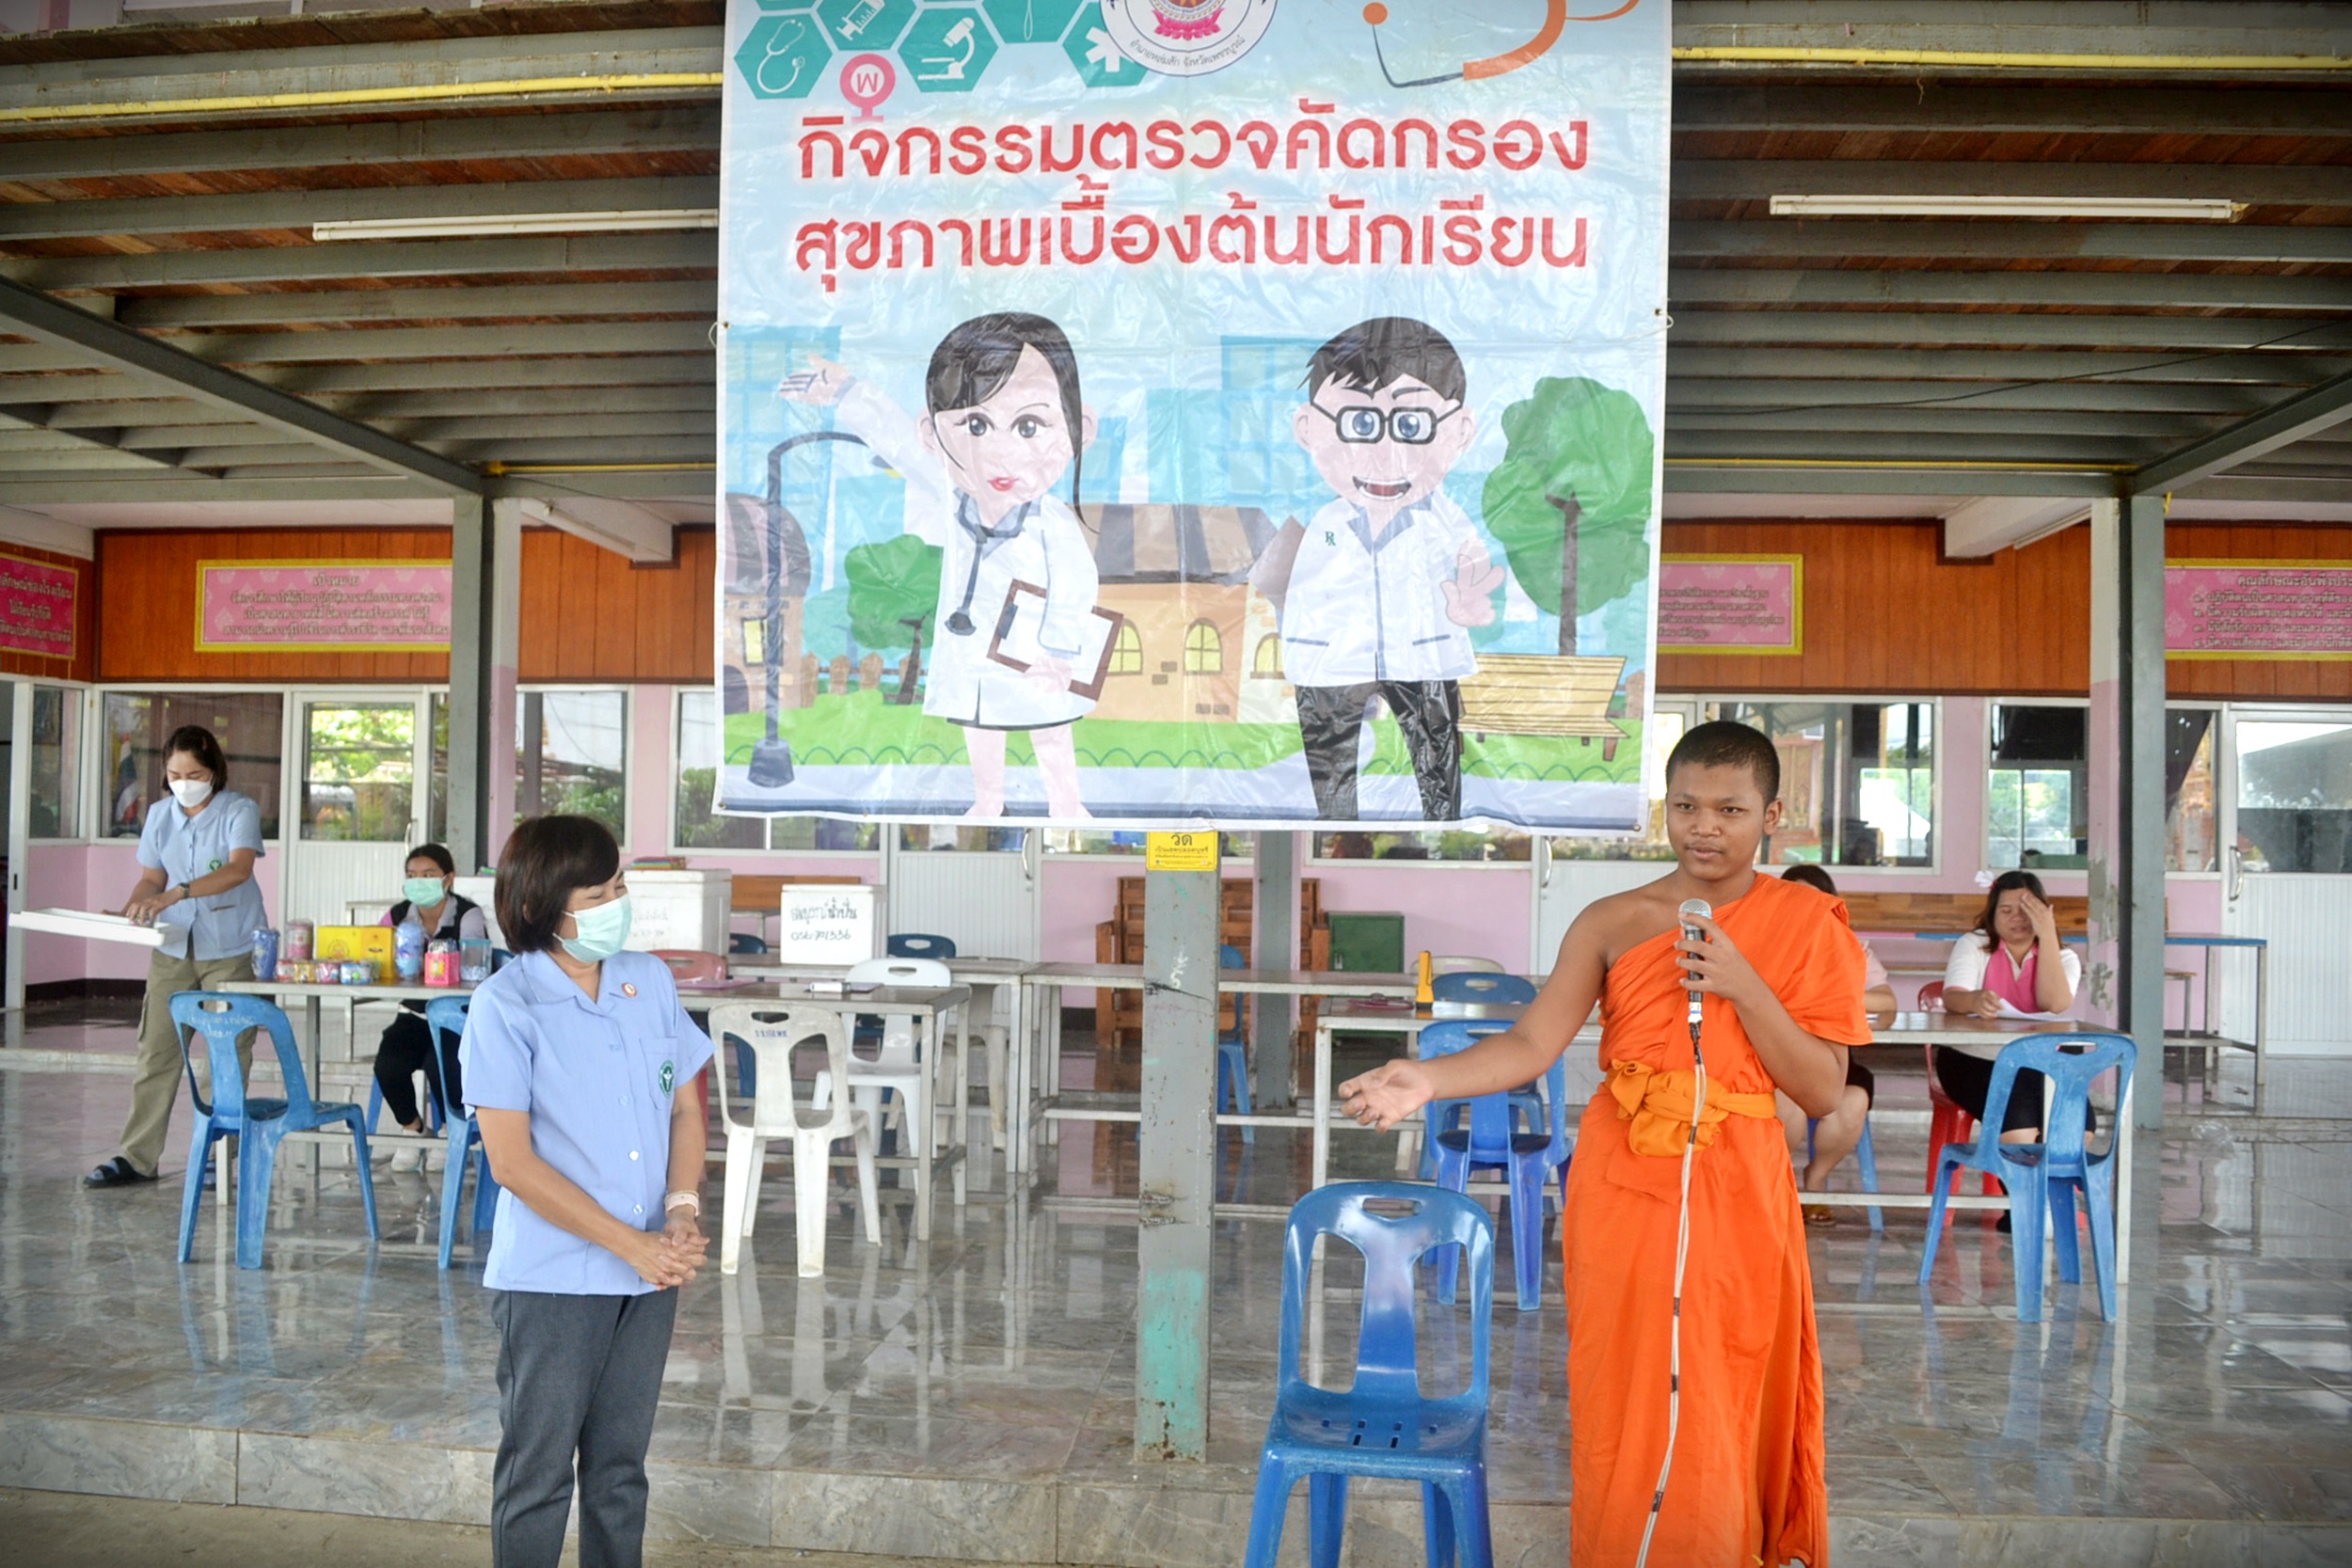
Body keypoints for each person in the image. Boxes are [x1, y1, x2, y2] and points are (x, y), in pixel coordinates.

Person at [1339, 721, 1866, 1567]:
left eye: (1730, 809)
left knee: (1723, 1382)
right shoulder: (1612, 921)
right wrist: (1428, 1078)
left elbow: (1823, 1088)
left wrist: (1744, 985)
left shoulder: (1806, 923)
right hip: (1625, 1183)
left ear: (1772, 816)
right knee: (1625, 1385)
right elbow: (1531, 1042)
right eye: (1686, 806)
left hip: (1739, 1184)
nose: (1705, 826)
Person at [459, 815, 712, 1568]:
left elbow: (685, 1108)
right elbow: (511, 1162)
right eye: (597, 895)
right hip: (555, 1279)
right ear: (539, 905)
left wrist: (680, 1209)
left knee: (620, 1472)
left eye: (619, 886)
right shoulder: (507, 1004)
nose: (617, 904)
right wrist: (631, 1244)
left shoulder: (648, 980)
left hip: (649, 1273)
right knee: (537, 1474)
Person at [782, 312, 1102, 819]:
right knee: (980, 722)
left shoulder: (1053, 523)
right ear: (933, 432)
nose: (1000, 452)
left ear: (1078, 429)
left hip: (1034, 649)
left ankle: (1066, 801)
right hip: (973, 648)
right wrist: (849, 393)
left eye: (1028, 426)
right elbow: (899, 445)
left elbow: (1076, 584)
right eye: (975, 425)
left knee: (1050, 724)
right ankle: (989, 798)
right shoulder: (954, 497)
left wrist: (1059, 649)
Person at [1272, 316, 1502, 821]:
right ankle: (1334, 820)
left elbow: (1474, 563)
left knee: (1435, 749)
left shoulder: (1443, 517)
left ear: (1460, 430)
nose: (1383, 453)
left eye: (1410, 426)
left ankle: (1442, 823)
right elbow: (1281, 585)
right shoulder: (1321, 521)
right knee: (1330, 756)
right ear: (1308, 428)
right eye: (1358, 424)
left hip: (1422, 653)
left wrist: (1470, 600)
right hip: (1332, 660)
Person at [86, 726, 269, 1189]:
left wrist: (176, 893)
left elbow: (238, 869)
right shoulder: (159, 814)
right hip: (173, 947)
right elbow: (151, 879)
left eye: (195, 774)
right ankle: (137, 1157)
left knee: (226, 1053)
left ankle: (216, 1156)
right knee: (157, 1053)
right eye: (175, 775)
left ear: (214, 772)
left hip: (229, 947)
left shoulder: (238, 810)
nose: (184, 783)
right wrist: (133, 908)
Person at [1776, 863, 1896, 1221]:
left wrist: (1832, 994)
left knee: (1853, 1100)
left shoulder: (1851, 948)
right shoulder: (1767, 946)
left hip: (1834, 1060)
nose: (1805, 909)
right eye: (1794, 900)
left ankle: (1816, 1180)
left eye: (1814, 901)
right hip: (1775, 1061)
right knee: (1787, 1111)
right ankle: (1776, 1185)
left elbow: (1885, 1003)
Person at [1932, 868, 2079, 1143]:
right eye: (2006, 911)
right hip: (1976, 1060)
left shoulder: (2065, 957)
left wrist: (2047, 936)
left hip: (2042, 1061)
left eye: (2026, 911)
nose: (2017, 919)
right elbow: (1953, 999)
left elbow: (2054, 1004)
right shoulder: (1974, 944)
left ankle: (2038, 1170)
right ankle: (2021, 1170)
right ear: (1992, 914)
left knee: (2077, 1133)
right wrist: (1974, 1000)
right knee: (2020, 1136)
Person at [369, 843, 489, 1138]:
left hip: (456, 1017)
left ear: (448, 878)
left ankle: (451, 1131)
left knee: (442, 1068)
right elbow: (378, 957)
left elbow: (475, 968)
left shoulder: (468, 914)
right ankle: (413, 1128)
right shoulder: (397, 916)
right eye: (412, 875)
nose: (418, 881)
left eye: (428, 874)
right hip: (414, 1014)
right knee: (388, 1065)